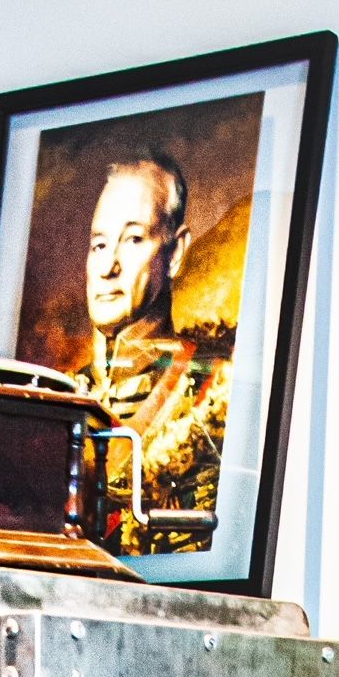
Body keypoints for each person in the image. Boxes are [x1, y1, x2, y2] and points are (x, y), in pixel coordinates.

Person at [76, 154, 232, 555]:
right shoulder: (65, 393)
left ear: (176, 251)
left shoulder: (217, 393)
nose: (108, 265)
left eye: (133, 239)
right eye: (99, 244)